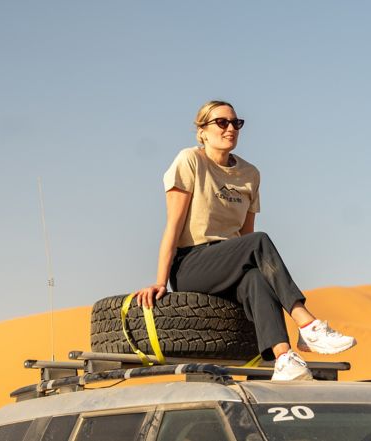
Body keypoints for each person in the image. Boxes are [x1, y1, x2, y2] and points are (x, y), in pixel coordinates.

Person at [135, 100, 356, 381]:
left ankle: (284, 358)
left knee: (256, 277)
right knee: (258, 242)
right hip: (192, 264)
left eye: (236, 123)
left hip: (231, 262)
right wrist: (160, 281)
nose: (230, 128)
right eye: (221, 122)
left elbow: (245, 236)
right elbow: (173, 226)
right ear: (202, 131)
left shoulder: (250, 174)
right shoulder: (190, 160)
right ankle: (307, 324)